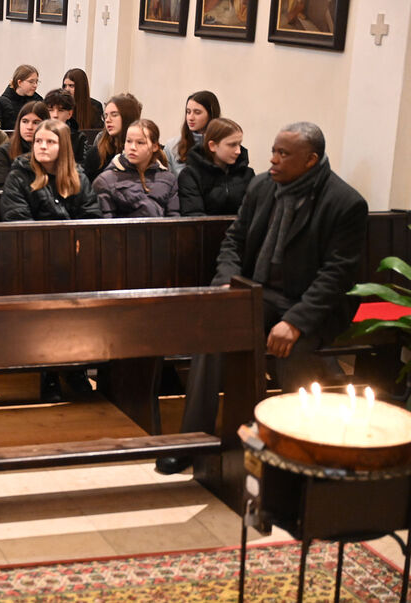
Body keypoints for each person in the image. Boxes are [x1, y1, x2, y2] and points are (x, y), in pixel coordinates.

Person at [157, 122, 369, 474]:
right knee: (212, 336)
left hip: (309, 305)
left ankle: (296, 449)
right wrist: (226, 285)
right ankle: (193, 441)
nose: (272, 159)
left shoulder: (345, 203)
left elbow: (336, 274)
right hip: (258, 292)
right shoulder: (262, 186)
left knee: (292, 351)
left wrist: (295, 322)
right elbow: (234, 241)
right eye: (273, 150)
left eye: (283, 154)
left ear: (311, 160)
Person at [0, 118, 101, 222]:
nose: (43, 146)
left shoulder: (78, 178)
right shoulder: (18, 177)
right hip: (33, 232)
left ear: (63, 147)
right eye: (38, 141)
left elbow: (91, 218)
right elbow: (17, 220)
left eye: (50, 142)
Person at [92, 119, 180, 217]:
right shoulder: (106, 180)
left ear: (155, 147)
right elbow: (106, 223)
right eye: (129, 141)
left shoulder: (169, 180)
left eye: (140, 142)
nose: (132, 147)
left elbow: (174, 220)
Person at [178, 117, 254, 216]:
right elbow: (193, 215)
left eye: (239, 144)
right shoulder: (191, 175)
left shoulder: (247, 174)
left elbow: (254, 212)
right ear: (212, 146)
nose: (238, 151)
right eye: (232, 145)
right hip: (206, 226)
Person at [82, 93, 142, 182]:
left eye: (114, 115)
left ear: (128, 117)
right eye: (106, 116)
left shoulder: (143, 152)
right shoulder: (96, 155)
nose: (108, 120)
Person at [0, 100, 49, 188]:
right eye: (25, 121)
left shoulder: (53, 150)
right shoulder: (3, 152)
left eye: (36, 122)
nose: (29, 127)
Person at [162, 91, 221, 177]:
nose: (190, 118)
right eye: (188, 112)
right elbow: (167, 181)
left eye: (197, 112)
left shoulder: (224, 145)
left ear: (211, 114)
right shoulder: (172, 146)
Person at [0, 64, 43, 131]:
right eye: (31, 82)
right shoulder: (0, 104)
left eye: (36, 82)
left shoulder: (38, 102)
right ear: (19, 82)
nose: (35, 85)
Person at [43, 87, 87, 167]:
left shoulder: (79, 138)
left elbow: (81, 166)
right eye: (50, 110)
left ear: (69, 114)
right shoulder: (39, 134)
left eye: (60, 110)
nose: (55, 115)